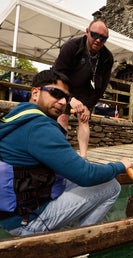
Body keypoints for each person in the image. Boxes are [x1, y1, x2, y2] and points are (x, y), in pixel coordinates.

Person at [0, 70, 131, 236]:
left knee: (70, 178)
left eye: (67, 97)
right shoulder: (39, 127)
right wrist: (120, 166)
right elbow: (86, 175)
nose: (63, 102)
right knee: (111, 186)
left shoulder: (16, 117)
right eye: (56, 93)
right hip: (28, 220)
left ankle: (67, 227)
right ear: (35, 93)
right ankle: (77, 241)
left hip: (11, 211)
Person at [51, 19, 113, 159]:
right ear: (87, 32)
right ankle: (61, 154)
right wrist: (69, 99)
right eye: (94, 35)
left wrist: (87, 106)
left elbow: (101, 87)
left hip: (86, 89)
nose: (98, 40)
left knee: (84, 118)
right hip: (64, 85)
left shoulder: (107, 57)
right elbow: (58, 75)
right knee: (63, 116)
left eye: (103, 38)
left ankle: (83, 157)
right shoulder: (70, 47)